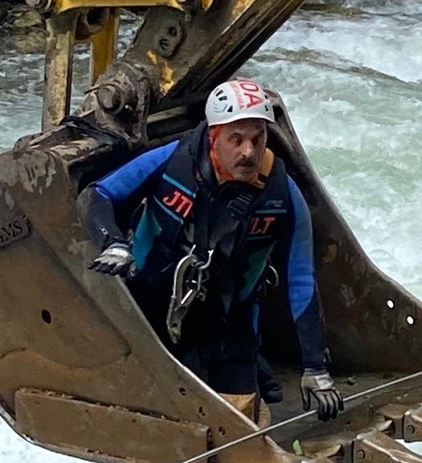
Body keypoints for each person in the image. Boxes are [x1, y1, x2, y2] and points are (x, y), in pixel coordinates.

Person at [81, 78, 344, 425]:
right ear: (213, 137)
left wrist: (315, 368)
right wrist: (112, 243)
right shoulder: (173, 159)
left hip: (229, 320)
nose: (248, 152)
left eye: (257, 138)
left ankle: (251, 370)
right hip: (148, 305)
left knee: (240, 423)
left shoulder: (283, 195)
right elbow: (96, 195)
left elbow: (301, 279)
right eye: (236, 140)